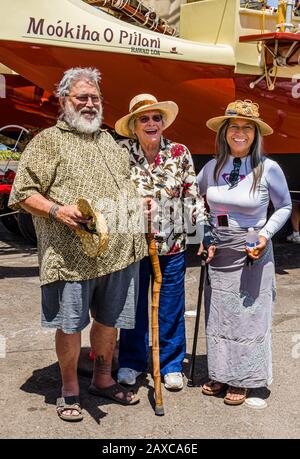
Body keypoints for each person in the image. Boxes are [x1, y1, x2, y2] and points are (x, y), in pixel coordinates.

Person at [9, 67, 148, 421]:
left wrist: (138, 203)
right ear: (63, 100)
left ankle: (102, 378)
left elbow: (125, 189)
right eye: (81, 97)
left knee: (108, 321)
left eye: (95, 98)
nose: (89, 104)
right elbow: (22, 192)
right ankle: (69, 387)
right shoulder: (47, 141)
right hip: (71, 256)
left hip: (118, 254)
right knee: (70, 325)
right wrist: (57, 210)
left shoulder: (110, 143)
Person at [197, 99, 292, 405]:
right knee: (221, 315)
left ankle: (245, 378)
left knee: (249, 316)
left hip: (252, 248)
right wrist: (204, 233)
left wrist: (265, 235)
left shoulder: (269, 168)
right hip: (219, 249)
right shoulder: (212, 167)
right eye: (234, 127)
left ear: (255, 134)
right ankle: (222, 373)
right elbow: (197, 200)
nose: (240, 133)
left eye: (247, 128)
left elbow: (285, 207)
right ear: (224, 132)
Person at [114, 94, 205, 390]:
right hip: (133, 246)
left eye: (156, 118)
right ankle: (131, 361)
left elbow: (192, 196)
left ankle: (171, 364)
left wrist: (203, 234)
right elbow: (112, 195)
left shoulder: (179, 152)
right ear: (133, 125)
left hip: (173, 245)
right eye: (144, 119)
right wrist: (134, 207)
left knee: (170, 306)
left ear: (163, 123)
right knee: (134, 306)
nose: (151, 123)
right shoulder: (121, 152)